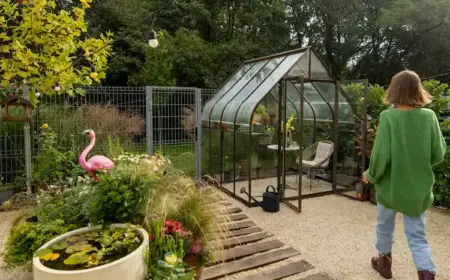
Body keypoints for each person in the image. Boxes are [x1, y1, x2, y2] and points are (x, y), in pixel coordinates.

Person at [363, 70, 447, 280]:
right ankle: (426, 274)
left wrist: (370, 175)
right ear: (418, 90)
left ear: (394, 90)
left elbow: (381, 155)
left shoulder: (388, 117)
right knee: (417, 235)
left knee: (384, 227)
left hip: (389, 188)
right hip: (418, 189)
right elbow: (438, 153)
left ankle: (384, 264)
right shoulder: (429, 116)